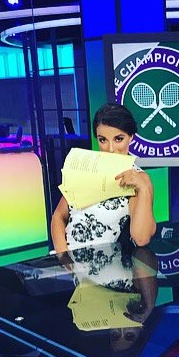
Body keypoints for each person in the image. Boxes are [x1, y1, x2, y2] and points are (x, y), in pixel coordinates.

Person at [50, 103, 156, 253]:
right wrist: (64, 256)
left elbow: (141, 238)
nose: (111, 149)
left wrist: (143, 188)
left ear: (131, 137)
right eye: (103, 140)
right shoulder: (85, 168)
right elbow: (59, 216)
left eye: (118, 139)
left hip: (105, 263)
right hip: (68, 260)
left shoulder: (138, 179)